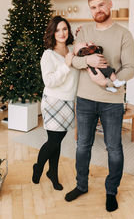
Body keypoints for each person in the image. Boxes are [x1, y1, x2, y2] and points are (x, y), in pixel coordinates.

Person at [65, 0, 134, 212]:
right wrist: (88, 59)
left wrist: (107, 83)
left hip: (112, 101)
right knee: (82, 146)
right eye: (94, 7)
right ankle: (81, 185)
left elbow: (130, 69)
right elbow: (73, 60)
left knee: (114, 148)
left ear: (110, 4)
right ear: (90, 9)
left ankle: (111, 191)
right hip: (85, 99)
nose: (98, 10)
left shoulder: (124, 34)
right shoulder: (84, 31)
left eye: (102, 5)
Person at [32, 16, 79, 190]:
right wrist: (66, 66)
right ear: (52, 32)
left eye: (65, 29)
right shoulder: (48, 55)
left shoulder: (73, 50)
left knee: (56, 141)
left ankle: (52, 172)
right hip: (53, 102)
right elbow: (49, 81)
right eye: (58, 30)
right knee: (53, 141)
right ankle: (39, 166)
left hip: (68, 102)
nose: (62, 33)